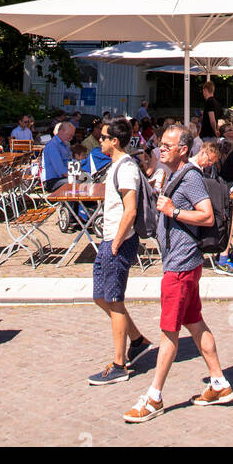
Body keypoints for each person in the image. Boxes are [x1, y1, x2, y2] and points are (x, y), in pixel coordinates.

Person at [123, 124, 233, 421]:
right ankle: (219, 383)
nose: (161, 148)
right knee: (194, 323)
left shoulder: (191, 178)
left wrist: (172, 211)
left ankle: (154, 397)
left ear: (183, 150)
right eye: (161, 144)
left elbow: (207, 216)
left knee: (168, 331)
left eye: (168, 145)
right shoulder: (174, 175)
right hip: (181, 262)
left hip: (181, 266)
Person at [88, 119, 155, 384]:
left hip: (118, 239)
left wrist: (116, 242)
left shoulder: (126, 168)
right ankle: (137, 340)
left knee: (114, 299)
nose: (100, 140)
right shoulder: (117, 165)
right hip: (110, 238)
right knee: (100, 296)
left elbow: (131, 209)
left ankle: (119, 364)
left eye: (103, 137)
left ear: (114, 141)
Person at [191, 138, 233, 277]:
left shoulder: (199, 168)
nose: (209, 165)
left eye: (212, 163)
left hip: (201, 210)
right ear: (202, 153)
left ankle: (223, 253)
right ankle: (223, 259)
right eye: (209, 161)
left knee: (229, 213)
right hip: (194, 215)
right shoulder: (192, 170)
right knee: (227, 216)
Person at [41, 120, 74, 192]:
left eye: (72, 136)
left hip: (62, 178)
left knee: (83, 182)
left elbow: (71, 162)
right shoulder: (53, 145)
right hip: (52, 181)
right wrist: (74, 176)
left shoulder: (65, 145)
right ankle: (70, 203)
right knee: (75, 184)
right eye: (70, 135)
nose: (71, 138)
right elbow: (61, 170)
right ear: (61, 131)